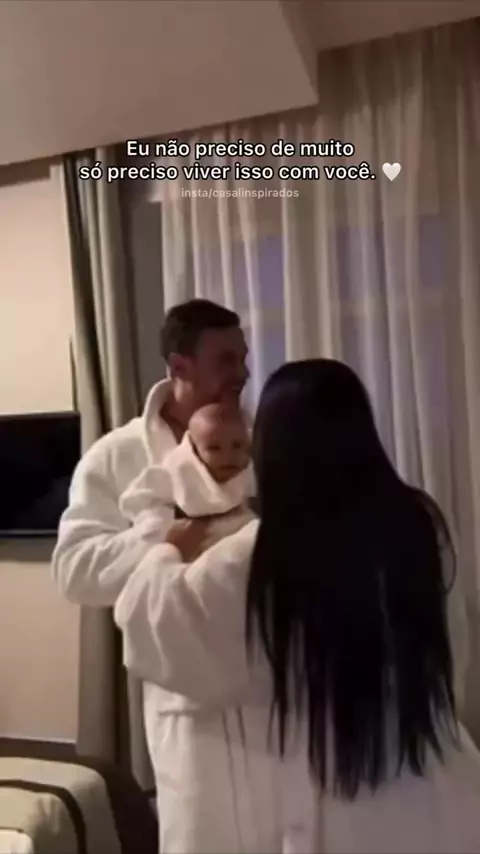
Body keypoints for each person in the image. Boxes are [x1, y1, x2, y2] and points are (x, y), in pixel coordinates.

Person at [115, 359, 480, 854]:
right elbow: (454, 635)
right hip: (435, 770)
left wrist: (165, 552)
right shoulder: (418, 522)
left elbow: (155, 624)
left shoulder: (263, 554)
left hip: (342, 795)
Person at [51, 299, 249, 847]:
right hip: (182, 695)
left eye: (243, 358)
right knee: (199, 833)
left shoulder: (259, 440)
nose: (243, 373)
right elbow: (73, 570)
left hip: (270, 682)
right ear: (179, 366)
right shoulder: (116, 456)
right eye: (226, 360)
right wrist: (162, 539)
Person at [120, 402, 256, 552]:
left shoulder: (250, 469)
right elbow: (141, 497)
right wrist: (163, 528)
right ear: (195, 449)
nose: (228, 455)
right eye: (214, 448)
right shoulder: (179, 469)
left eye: (237, 445)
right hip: (189, 541)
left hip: (235, 536)